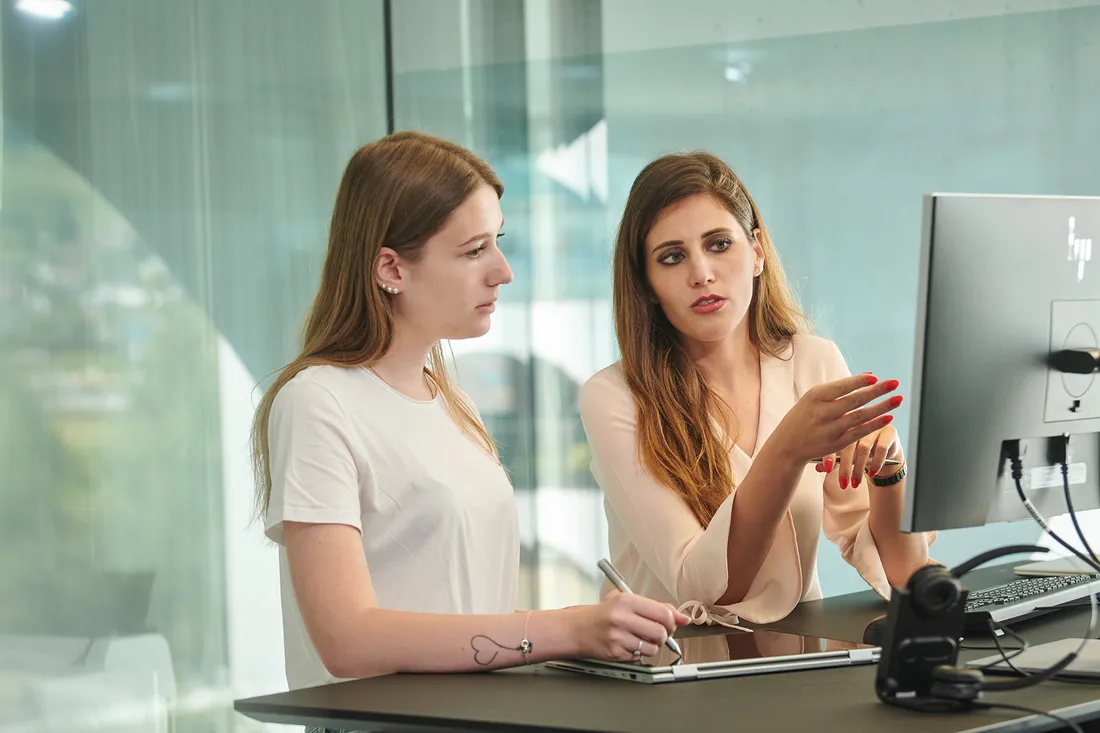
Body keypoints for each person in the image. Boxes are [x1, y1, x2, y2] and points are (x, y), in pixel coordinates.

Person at [249, 131, 689, 691]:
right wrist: (568, 629)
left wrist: (601, 630)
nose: (502, 270)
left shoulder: (450, 403)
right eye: (474, 250)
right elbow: (347, 641)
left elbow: (462, 609)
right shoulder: (317, 402)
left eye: (497, 242)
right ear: (390, 268)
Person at [579, 151, 936, 627]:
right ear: (646, 285)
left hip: (795, 661)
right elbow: (704, 589)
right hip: (674, 671)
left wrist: (888, 467)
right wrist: (787, 449)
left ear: (758, 253)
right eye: (672, 257)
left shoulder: (814, 361)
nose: (701, 273)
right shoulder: (614, 396)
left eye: (719, 244)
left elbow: (903, 572)